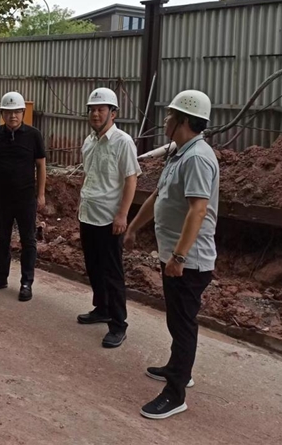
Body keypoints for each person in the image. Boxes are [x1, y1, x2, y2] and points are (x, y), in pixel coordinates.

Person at [124, 90, 218, 420]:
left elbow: (198, 210)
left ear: (184, 120)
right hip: (176, 256)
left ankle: (175, 393)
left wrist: (179, 257)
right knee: (177, 320)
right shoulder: (180, 153)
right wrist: (134, 227)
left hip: (189, 260)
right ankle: (179, 367)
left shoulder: (197, 158)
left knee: (183, 323)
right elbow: (158, 196)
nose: (165, 120)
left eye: (170, 115)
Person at [76, 87, 140, 349]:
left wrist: (122, 215)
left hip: (109, 219)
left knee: (112, 273)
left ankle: (118, 324)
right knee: (93, 266)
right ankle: (101, 308)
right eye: (92, 109)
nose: (95, 114)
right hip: (88, 215)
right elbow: (88, 176)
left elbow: (131, 180)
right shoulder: (89, 141)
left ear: (113, 113)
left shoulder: (123, 142)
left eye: (101, 109)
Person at [0, 92, 46, 302]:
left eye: (17, 111)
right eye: (8, 112)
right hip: (3, 197)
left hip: (26, 198)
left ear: (23, 113)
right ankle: (1, 277)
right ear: (2, 114)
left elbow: (41, 165)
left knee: (28, 240)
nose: (13, 116)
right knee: (3, 238)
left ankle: (26, 282)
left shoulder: (34, 135)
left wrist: (41, 194)